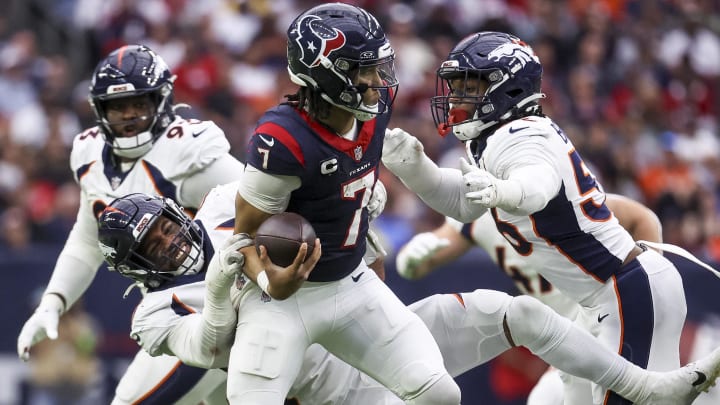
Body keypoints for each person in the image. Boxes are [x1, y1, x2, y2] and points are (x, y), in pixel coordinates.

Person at [98, 189, 720, 405]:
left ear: (177, 213)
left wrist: (352, 212)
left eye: (162, 229)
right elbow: (207, 346)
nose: (168, 245)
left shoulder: (229, 205)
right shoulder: (154, 312)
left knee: (518, 314)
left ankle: (646, 389)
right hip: (337, 394)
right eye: (150, 248)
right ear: (135, 268)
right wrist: (215, 293)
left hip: (381, 333)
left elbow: (331, 212)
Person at [381, 31, 719, 405]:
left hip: (623, 291)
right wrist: (417, 171)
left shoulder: (522, 135)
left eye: (469, 86)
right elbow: (463, 204)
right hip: (601, 300)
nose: (457, 98)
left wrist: (503, 191)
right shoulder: (500, 136)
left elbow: (537, 185)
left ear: (505, 88)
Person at [229, 3, 461, 404]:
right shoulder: (282, 139)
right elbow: (243, 237)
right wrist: (270, 280)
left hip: (350, 284)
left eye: (376, 66)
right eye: (362, 69)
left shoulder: (374, 111)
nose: (376, 81)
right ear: (323, 72)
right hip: (282, 298)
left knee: (438, 394)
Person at [16, 44, 245, 404]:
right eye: (118, 106)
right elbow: (88, 240)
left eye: (140, 103)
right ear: (99, 109)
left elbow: (260, 203)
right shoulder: (89, 153)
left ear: (162, 100)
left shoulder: (186, 148)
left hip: (208, 309)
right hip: (169, 315)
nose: (129, 115)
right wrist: (53, 302)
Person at [396, 193, 663, 404]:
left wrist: (652, 289)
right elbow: (426, 257)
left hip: (609, 319)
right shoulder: (477, 214)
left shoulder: (552, 191)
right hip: (572, 333)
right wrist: (409, 258)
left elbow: (642, 218)